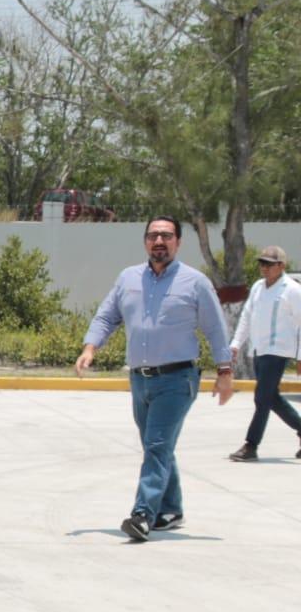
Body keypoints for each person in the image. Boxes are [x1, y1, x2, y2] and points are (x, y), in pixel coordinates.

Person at [77, 215, 233, 540]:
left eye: (166, 235)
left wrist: (225, 371)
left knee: (157, 444)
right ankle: (171, 508)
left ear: (178, 241)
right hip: (140, 379)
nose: (159, 241)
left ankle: (143, 515)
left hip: (178, 379)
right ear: (145, 241)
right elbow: (107, 315)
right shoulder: (128, 278)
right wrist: (90, 348)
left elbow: (216, 329)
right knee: (157, 446)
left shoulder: (195, 282)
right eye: (153, 236)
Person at [226, 245, 301, 462]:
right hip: (258, 350)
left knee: (262, 398)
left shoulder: (292, 290)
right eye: (262, 263)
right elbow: (246, 317)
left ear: (281, 266)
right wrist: (236, 344)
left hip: (278, 351)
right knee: (270, 397)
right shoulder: (258, 287)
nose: (264, 268)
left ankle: (251, 445)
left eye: (269, 264)